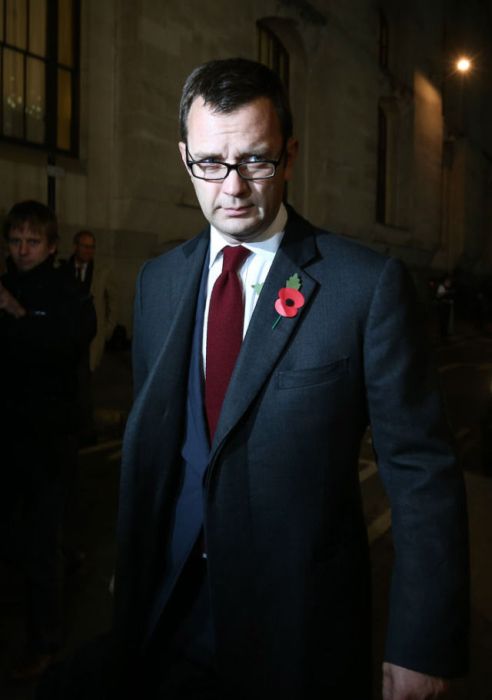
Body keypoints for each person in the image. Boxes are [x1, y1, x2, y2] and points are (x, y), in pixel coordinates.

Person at [108, 59, 469, 699]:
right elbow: (154, 448)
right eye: (210, 163)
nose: (233, 186)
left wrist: (423, 641)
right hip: (167, 616)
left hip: (296, 627)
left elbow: (420, 469)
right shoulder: (157, 282)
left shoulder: (364, 287)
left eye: (256, 160)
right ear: (184, 156)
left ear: (290, 154)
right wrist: (130, 566)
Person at [0, 201, 96, 680]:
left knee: (39, 544)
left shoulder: (66, 292)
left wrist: (17, 314)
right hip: (11, 436)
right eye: (15, 241)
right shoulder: (8, 282)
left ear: (52, 245)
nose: (21, 250)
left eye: (31, 242)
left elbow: (64, 349)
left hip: (49, 439)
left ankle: (46, 643)